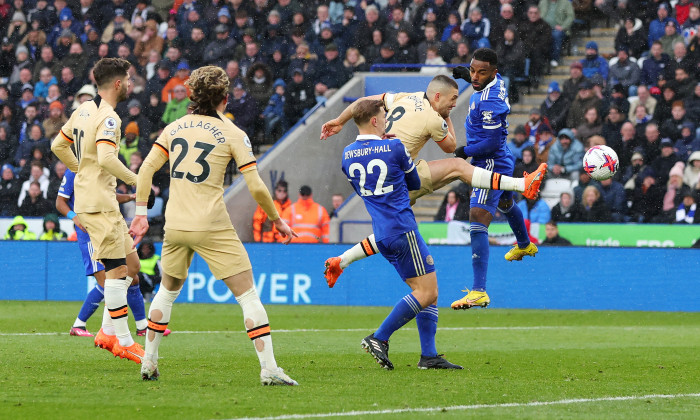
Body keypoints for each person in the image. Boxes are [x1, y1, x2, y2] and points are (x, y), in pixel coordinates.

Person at [128, 65, 299, 385]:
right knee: (248, 295)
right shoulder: (234, 133)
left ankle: (148, 363)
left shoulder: (174, 127)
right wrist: (277, 220)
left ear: (192, 95)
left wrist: (140, 214)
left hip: (175, 224)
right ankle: (269, 368)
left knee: (166, 291)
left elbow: (146, 170)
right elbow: (258, 186)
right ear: (224, 97)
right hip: (212, 224)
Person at [320, 71, 547, 294]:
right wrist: (444, 117)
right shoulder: (432, 118)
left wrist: (339, 121)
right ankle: (521, 185)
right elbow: (451, 147)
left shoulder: (404, 97)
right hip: (399, 176)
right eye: (452, 100)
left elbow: (362, 102)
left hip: (378, 177)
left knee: (390, 232)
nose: (454, 105)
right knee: (457, 167)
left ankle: (342, 260)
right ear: (437, 97)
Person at [333, 99, 462, 370]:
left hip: (382, 232)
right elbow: (414, 182)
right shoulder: (394, 146)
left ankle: (429, 355)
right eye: (384, 116)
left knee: (427, 291)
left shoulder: (346, 154)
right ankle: (379, 337)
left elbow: (364, 189)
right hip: (403, 228)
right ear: (375, 121)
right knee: (427, 292)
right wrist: (396, 156)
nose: (387, 120)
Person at [51, 58, 144, 363]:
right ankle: (124, 339)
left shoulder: (83, 109)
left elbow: (57, 146)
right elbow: (105, 159)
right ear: (118, 83)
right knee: (116, 272)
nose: (130, 84)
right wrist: (137, 180)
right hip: (98, 206)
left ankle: (105, 331)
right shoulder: (109, 118)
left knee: (132, 267)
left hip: (101, 202)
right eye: (128, 79)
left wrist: (82, 169)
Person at [56, 167, 162, 337]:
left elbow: (109, 197)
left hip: (109, 229)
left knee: (132, 277)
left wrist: (130, 197)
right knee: (108, 284)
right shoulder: (75, 169)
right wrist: (74, 217)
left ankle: (142, 326)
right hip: (89, 233)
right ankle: (82, 325)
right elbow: (60, 201)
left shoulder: (104, 166)